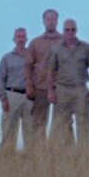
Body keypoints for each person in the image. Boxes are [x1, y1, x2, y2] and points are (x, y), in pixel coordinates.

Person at [46, 19, 89, 148]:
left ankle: (85, 151)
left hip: (80, 88)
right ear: (63, 31)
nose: (70, 32)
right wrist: (50, 91)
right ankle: (59, 151)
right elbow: (50, 72)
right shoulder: (56, 49)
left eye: (73, 30)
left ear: (76, 30)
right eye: (67, 30)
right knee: (60, 123)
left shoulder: (86, 47)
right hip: (62, 89)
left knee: (83, 121)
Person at [23, 8, 61, 152]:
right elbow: (27, 65)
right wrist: (29, 85)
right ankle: (38, 152)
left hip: (60, 87)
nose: (51, 22)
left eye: (53, 19)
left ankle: (60, 152)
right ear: (44, 21)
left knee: (62, 122)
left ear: (57, 21)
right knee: (38, 122)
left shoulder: (64, 41)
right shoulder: (35, 43)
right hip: (40, 87)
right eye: (48, 19)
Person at [0, 27, 31, 154]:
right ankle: (6, 156)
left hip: (29, 96)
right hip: (12, 95)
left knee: (30, 129)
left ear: (26, 39)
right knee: (9, 129)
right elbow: (0, 79)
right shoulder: (7, 58)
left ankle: (31, 157)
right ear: (14, 39)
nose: (21, 39)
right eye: (18, 37)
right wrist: (2, 98)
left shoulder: (32, 57)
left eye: (23, 37)